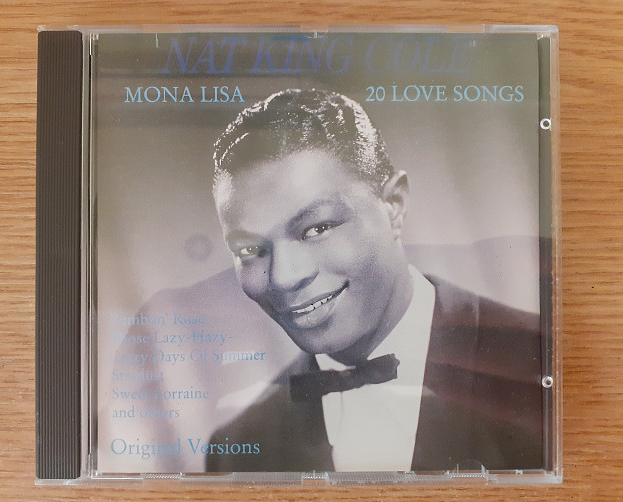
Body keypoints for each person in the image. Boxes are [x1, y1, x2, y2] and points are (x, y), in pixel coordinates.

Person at [204, 88, 545, 473]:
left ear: (394, 206)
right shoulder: (235, 448)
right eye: (251, 249)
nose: (283, 277)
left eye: (317, 228)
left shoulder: (544, 364)